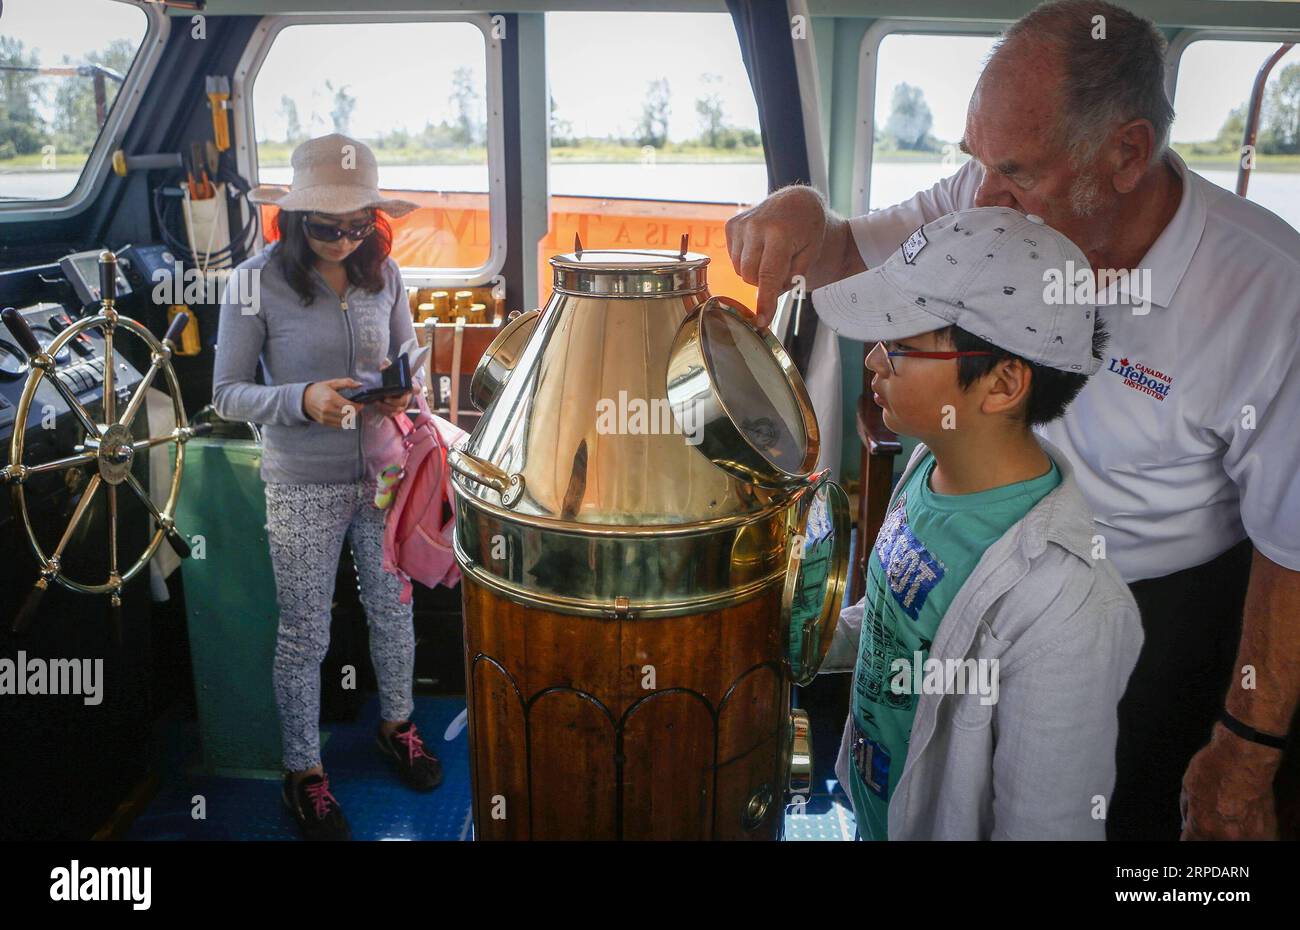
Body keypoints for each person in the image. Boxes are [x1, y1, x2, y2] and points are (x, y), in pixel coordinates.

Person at [728, 0, 1300, 840]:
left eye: (1019, 176)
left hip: (1149, 614)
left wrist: (1246, 749)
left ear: (1128, 154)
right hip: (970, 557)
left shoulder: (1268, 293)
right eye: (977, 165)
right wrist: (805, 217)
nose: (984, 201)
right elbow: (850, 251)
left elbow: (1292, 547)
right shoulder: (989, 200)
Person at [814, 205, 1141, 839]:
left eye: (903, 346)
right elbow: (896, 627)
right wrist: (810, 635)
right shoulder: (927, 468)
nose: (875, 361)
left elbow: (1046, 826)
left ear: (1002, 383)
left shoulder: (1067, 607)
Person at [212, 133, 442, 841]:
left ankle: (396, 727)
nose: (342, 239)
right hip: (302, 483)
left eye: (355, 225)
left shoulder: (388, 274)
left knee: (393, 612)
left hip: (383, 476)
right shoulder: (254, 282)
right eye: (324, 225)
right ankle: (303, 772)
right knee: (306, 632)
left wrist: (403, 397)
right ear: (293, 219)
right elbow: (226, 394)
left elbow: (413, 367)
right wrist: (303, 398)